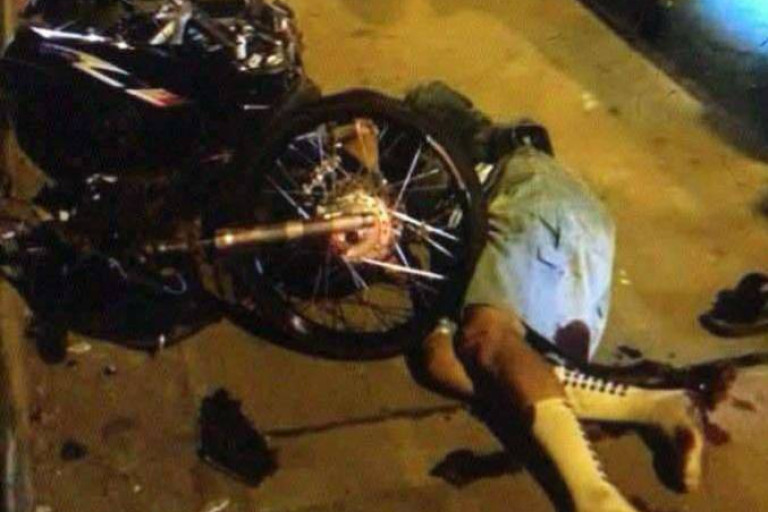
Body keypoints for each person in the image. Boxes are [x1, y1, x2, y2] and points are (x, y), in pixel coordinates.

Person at [403, 82, 705, 512]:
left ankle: (597, 499)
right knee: (448, 365)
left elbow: (429, 108)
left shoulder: (471, 156)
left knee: (486, 338)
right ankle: (653, 410)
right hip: (560, 234)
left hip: (539, 204)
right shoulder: (437, 221)